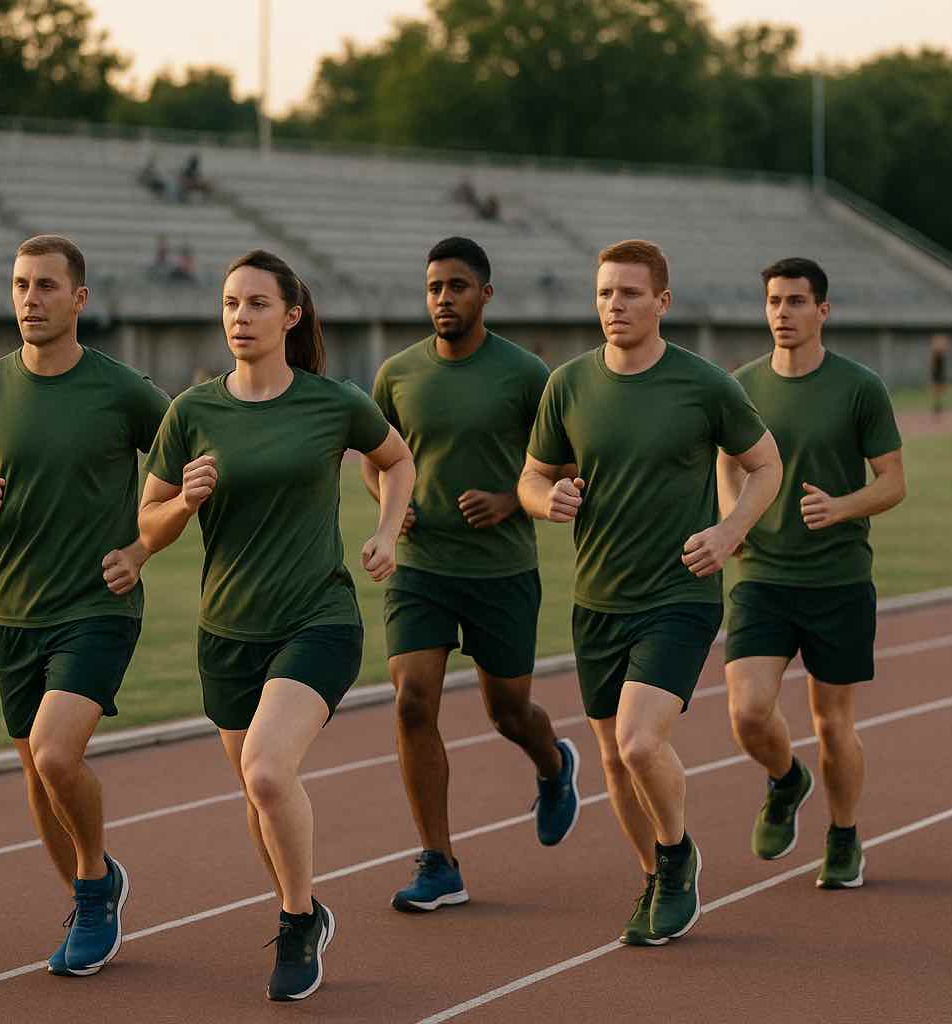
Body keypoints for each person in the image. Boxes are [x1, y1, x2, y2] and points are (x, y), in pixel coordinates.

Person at [139, 249, 414, 1000]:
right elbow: (148, 526)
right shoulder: (191, 413)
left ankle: (296, 922)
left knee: (266, 772)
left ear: (291, 317)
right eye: (231, 303)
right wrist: (184, 501)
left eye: (257, 304)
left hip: (317, 618)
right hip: (228, 633)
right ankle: (306, 908)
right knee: (260, 796)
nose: (240, 317)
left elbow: (397, 460)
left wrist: (388, 531)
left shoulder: (334, 402)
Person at [519, 240, 781, 946]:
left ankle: (676, 856)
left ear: (662, 302)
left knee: (638, 743)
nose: (615, 305)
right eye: (605, 292)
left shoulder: (705, 385)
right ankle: (654, 876)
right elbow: (532, 477)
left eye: (630, 293)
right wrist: (548, 499)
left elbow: (766, 465)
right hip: (597, 599)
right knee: (610, 757)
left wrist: (729, 531)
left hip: (679, 594)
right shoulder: (568, 385)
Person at [0, 235, 169, 975]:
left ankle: (95, 885)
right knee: (37, 774)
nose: (30, 299)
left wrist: (141, 548)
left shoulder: (123, 389)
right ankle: (88, 894)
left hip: (99, 604)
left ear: (79, 299)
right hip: (14, 615)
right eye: (20, 285)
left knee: (57, 753)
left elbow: (184, 470)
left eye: (45, 286)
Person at [365, 236, 580, 914]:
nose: (443, 299)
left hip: (501, 570)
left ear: (485, 294)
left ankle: (553, 763)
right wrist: (391, 507)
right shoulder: (398, 373)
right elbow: (375, 457)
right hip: (421, 569)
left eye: (457, 287)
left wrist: (511, 499)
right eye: (434, 287)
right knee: (411, 701)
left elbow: (569, 462)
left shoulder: (526, 374)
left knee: (508, 711)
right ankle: (439, 861)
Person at [718, 257, 906, 890]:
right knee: (748, 712)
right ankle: (785, 779)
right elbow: (728, 461)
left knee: (832, 722)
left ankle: (844, 835)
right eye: (774, 301)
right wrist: (734, 520)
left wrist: (841, 507)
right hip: (763, 576)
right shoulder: (741, 386)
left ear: (822, 311)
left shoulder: (860, 387)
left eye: (796, 301)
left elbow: (893, 483)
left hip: (838, 579)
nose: (783, 313)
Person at [929, 335, 950, 418]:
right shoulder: (936, 355)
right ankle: (937, 407)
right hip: (937, 374)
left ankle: (938, 407)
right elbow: (933, 366)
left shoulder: (941, 355)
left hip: (940, 374)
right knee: (937, 392)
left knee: (940, 392)